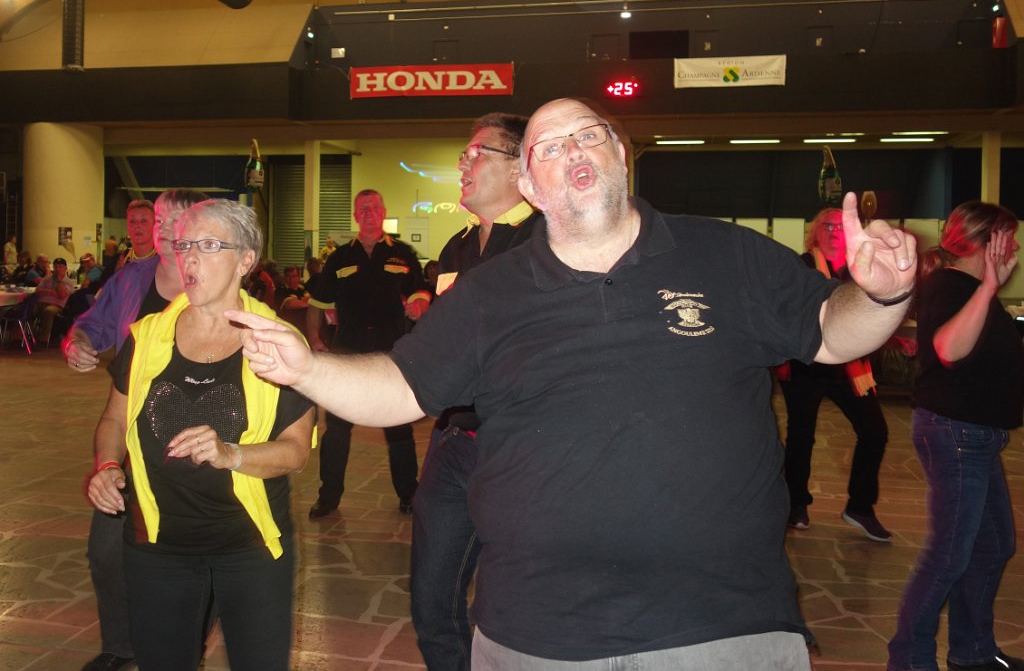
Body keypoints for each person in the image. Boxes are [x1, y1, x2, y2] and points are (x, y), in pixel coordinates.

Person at [230, 97, 918, 669]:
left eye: (589, 135)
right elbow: (400, 387)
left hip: (724, 629)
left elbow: (831, 332)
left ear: (620, 155)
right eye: (550, 147)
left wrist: (881, 294)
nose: (574, 151)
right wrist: (307, 367)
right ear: (531, 187)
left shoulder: (724, 254)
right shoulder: (489, 292)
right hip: (537, 636)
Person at [86, 198, 315, 671]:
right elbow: (113, 419)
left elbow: (295, 452)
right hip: (157, 544)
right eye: (184, 245)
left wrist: (231, 453)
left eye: (209, 246)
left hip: (248, 545)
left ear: (246, 260)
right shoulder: (147, 336)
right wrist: (106, 465)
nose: (190, 258)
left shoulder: (278, 342)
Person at [410, 112, 541, 670]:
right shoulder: (458, 246)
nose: (463, 163)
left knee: (517, 605)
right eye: (463, 155)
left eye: (476, 153)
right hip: (453, 441)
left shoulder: (547, 239)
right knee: (431, 598)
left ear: (517, 166)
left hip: (524, 447)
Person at [64, 188, 208, 671]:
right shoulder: (130, 279)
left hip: (199, 439)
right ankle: (122, 645)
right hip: (131, 436)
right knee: (107, 550)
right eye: (159, 218)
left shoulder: (212, 282)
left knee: (191, 557)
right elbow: (91, 325)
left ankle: (183, 650)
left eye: (175, 219)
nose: (163, 229)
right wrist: (77, 343)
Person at [887, 202, 1023, 671]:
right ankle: (909, 660)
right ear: (986, 243)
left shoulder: (967, 287)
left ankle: (972, 652)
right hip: (957, 433)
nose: (1016, 247)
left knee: (994, 544)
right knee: (949, 555)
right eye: (1008, 237)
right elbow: (949, 349)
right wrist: (989, 287)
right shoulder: (951, 284)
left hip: (976, 435)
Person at [305, 189, 430, 517]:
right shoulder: (340, 258)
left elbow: (420, 291)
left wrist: (419, 304)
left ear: (383, 211)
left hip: (393, 356)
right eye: (363, 209)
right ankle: (328, 497)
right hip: (348, 356)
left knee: (399, 429)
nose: (369, 213)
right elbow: (317, 303)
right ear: (356, 216)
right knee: (337, 428)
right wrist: (314, 338)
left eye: (374, 207)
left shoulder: (403, 254)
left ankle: (409, 494)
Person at [779, 207, 891, 541]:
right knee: (802, 436)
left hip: (849, 367)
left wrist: (895, 338)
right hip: (808, 364)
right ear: (815, 232)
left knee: (875, 432)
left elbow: (867, 315)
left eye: (840, 226)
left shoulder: (857, 269)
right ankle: (796, 503)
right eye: (827, 226)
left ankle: (860, 507)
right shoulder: (802, 264)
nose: (833, 231)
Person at [34, 256, 74, 343]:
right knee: (28, 308)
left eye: (60, 267)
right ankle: (21, 337)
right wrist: (49, 291)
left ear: (65, 268)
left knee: (49, 311)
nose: (57, 269)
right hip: (42, 303)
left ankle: (43, 339)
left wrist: (59, 281)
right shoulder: (47, 279)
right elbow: (37, 290)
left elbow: (62, 295)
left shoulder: (69, 282)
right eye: (55, 267)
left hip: (57, 305)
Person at [111, 199, 156, 275]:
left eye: (143, 221)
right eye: (132, 221)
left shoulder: (166, 262)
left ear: (155, 225)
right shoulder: (119, 260)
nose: (137, 226)